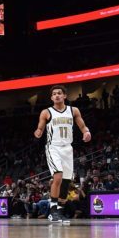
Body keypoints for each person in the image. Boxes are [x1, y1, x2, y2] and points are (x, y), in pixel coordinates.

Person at [33, 84, 91, 223]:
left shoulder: (73, 110)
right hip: (53, 147)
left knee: (66, 181)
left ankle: (59, 211)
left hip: (67, 148)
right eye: (54, 94)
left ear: (65, 96)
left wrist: (86, 132)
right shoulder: (46, 112)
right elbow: (40, 127)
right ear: (51, 97)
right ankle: (52, 212)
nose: (57, 95)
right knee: (57, 176)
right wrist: (38, 132)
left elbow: (82, 126)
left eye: (59, 93)